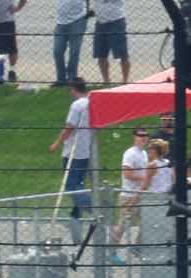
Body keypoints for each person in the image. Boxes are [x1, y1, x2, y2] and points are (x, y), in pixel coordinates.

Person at [49, 77, 91, 244]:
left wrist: (57, 144)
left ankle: (95, 208)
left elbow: (69, 127)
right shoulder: (90, 103)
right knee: (78, 186)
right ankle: (75, 218)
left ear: (73, 89)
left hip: (73, 153)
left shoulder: (77, 105)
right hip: (85, 152)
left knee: (72, 187)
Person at [112, 126, 149, 261]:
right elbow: (127, 174)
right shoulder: (130, 153)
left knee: (147, 221)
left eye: (146, 135)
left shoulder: (144, 154)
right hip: (129, 195)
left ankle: (137, 246)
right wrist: (143, 177)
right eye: (141, 135)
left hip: (140, 194)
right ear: (135, 137)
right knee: (123, 225)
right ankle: (111, 251)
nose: (144, 138)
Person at [94, 0, 130, 85]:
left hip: (116, 21)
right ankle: (106, 81)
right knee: (101, 55)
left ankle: (125, 81)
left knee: (122, 54)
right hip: (100, 22)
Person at [53, 0, 88, 86]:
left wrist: (86, 10)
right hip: (61, 21)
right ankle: (61, 79)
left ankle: (72, 79)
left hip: (78, 19)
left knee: (74, 51)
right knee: (57, 51)